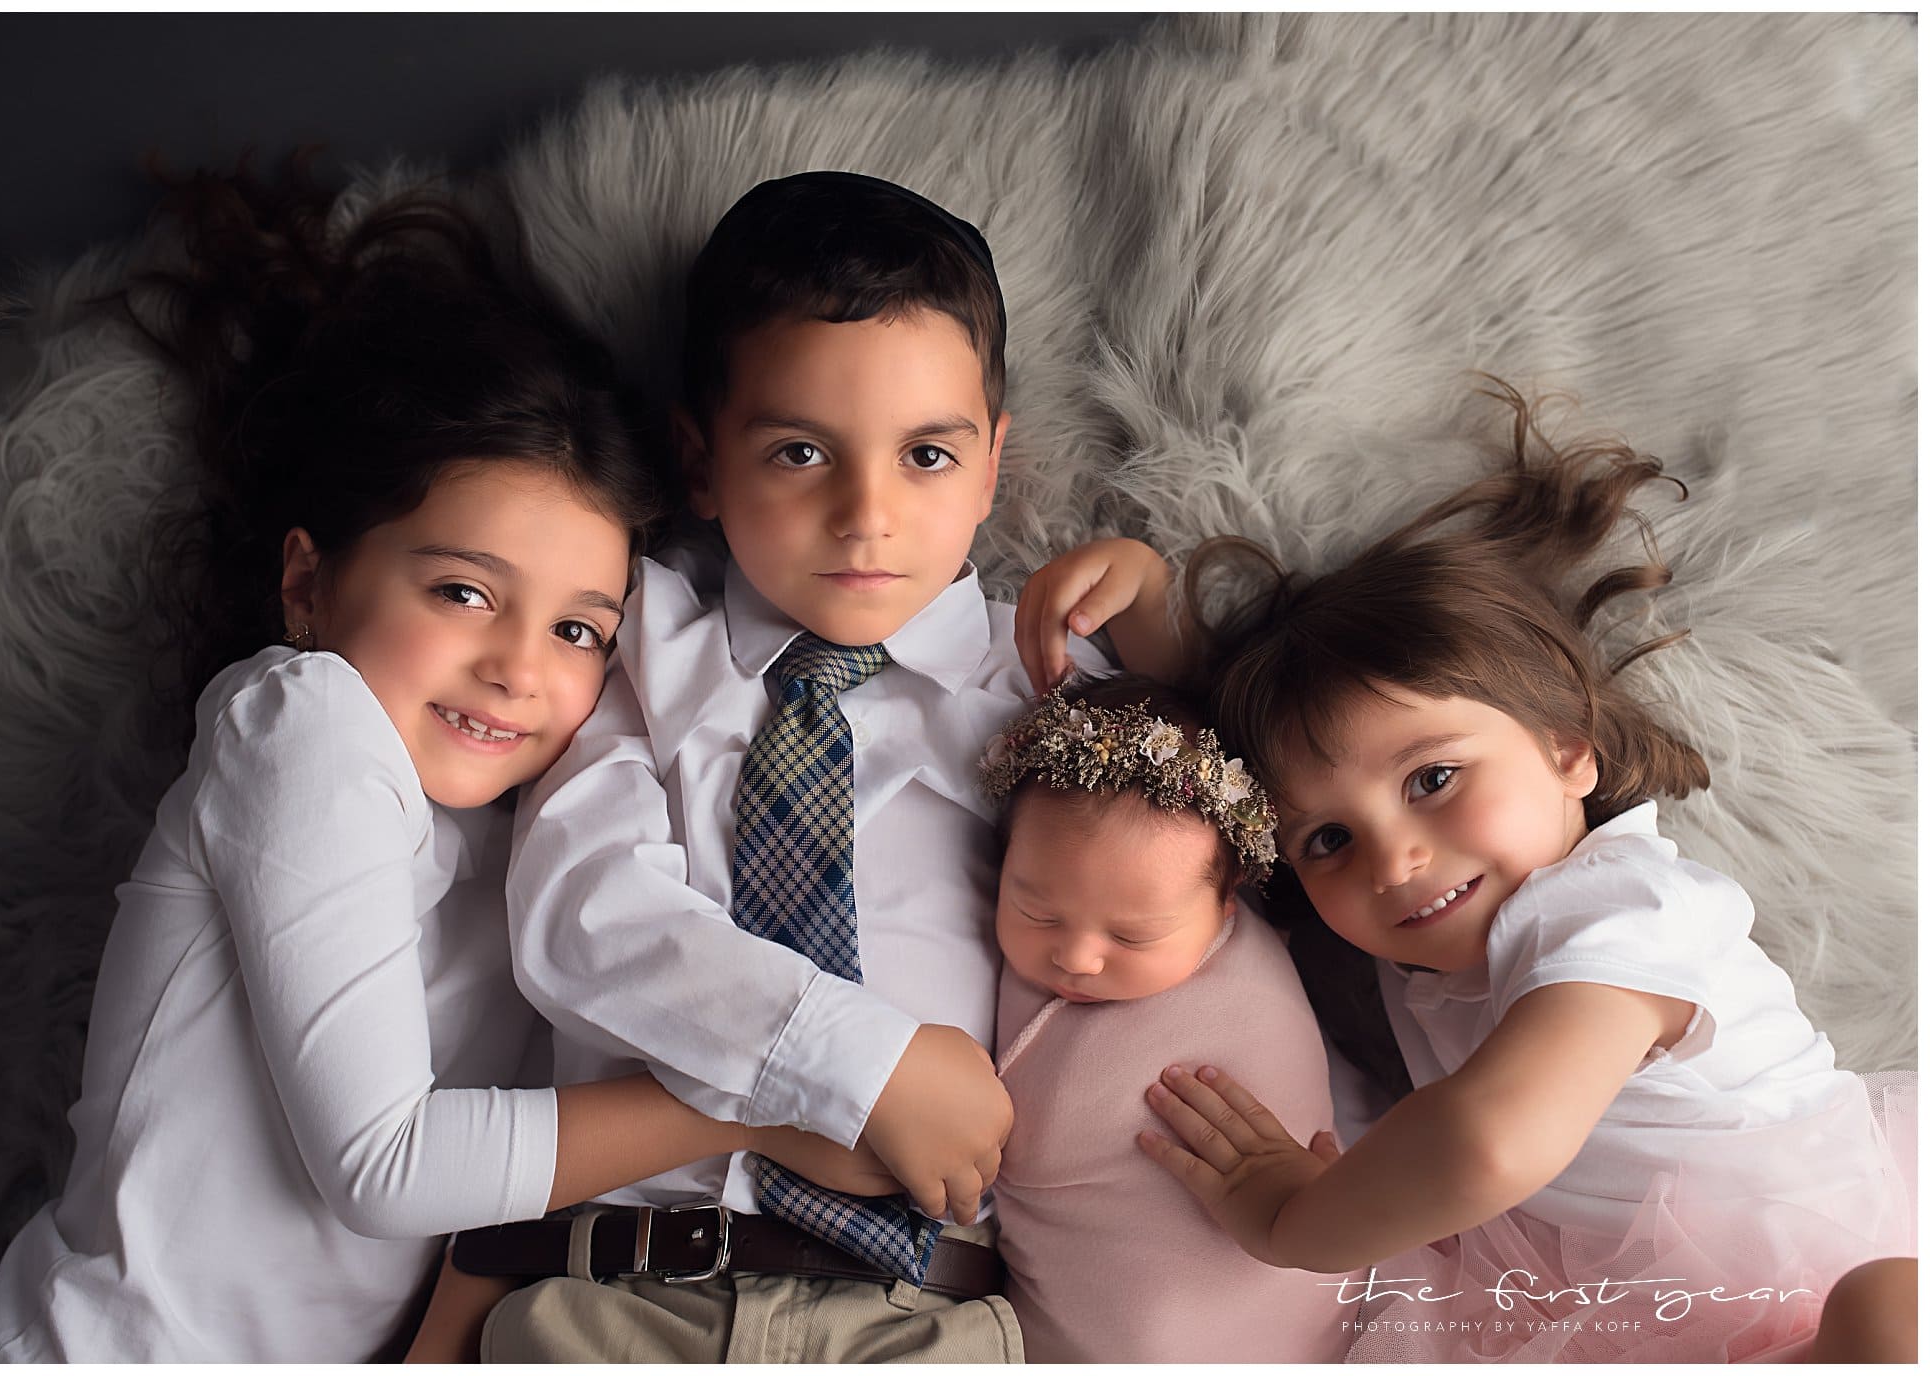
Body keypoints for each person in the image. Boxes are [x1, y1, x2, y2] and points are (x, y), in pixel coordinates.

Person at [0, 164, 881, 1364]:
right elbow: (384, 1163)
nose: (516, 667)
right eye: (463, 591)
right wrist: (758, 1103)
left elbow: (492, 1191)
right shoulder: (302, 722)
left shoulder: (530, 838)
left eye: (576, 630)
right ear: (308, 583)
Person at [1065, 385, 1916, 1362]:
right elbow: (1248, 768)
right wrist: (1136, 596)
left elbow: (1487, 1142)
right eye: (1328, 841)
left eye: (1432, 777)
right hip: (1626, 1306)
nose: (1392, 857)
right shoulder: (1430, 922)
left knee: (1887, 1312)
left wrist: (1284, 1219)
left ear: (1567, 750)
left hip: (1798, 1268)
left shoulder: (1619, 907)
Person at [470, 170, 1108, 1363]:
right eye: (802, 451)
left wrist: (1165, 622)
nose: (866, 513)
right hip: (623, 1292)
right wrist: (857, 1064)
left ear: (990, 466)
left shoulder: (1052, 680)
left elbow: (1234, 833)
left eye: (925, 455)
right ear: (699, 460)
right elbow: (581, 913)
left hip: (922, 1314)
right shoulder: (638, 644)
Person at [976, 672, 1361, 1362]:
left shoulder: (1251, 970)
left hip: (1293, 1301)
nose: (1078, 959)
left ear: (1226, 904)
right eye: (1036, 911)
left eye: (1132, 937)